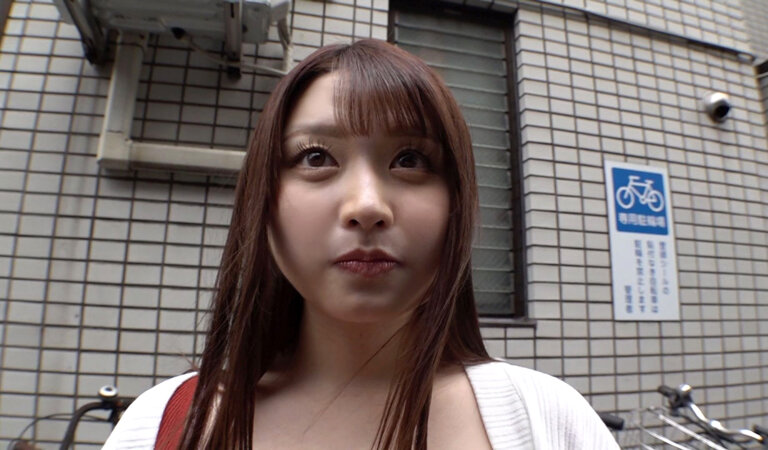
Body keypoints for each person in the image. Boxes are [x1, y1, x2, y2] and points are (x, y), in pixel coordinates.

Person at [103, 39, 619, 449]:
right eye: (315, 157)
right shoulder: (160, 424)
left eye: (411, 160)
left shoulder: (550, 419)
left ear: (456, 202)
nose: (368, 206)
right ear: (263, 197)